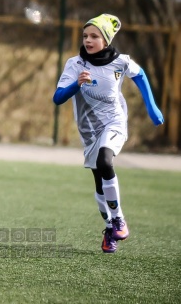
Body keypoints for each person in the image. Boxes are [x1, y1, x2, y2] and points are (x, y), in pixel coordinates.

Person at [53, 14, 164, 253]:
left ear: (106, 39)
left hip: (114, 123)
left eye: (94, 36)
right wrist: (76, 85)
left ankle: (119, 219)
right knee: (98, 182)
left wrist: (151, 107)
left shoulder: (120, 62)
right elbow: (58, 98)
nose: (88, 40)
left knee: (105, 160)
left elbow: (140, 75)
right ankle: (109, 228)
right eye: (85, 36)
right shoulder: (75, 64)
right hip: (89, 131)